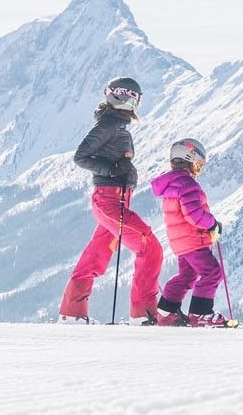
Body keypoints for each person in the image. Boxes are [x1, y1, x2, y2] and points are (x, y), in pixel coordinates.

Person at [58, 77, 165, 325]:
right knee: (150, 247)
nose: (130, 103)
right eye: (126, 97)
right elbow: (81, 157)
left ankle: (72, 313)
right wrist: (112, 169)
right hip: (109, 200)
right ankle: (144, 314)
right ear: (113, 96)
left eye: (134, 99)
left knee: (95, 257)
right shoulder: (108, 124)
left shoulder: (117, 125)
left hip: (115, 200)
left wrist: (118, 170)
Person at [150, 139, 228, 327]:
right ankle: (200, 314)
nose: (198, 169)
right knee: (212, 272)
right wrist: (213, 224)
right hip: (194, 241)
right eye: (199, 164)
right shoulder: (187, 185)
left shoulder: (172, 184)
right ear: (190, 159)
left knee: (187, 276)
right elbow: (194, 215)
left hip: (181, 242)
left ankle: (166, 312)